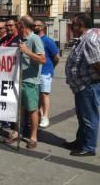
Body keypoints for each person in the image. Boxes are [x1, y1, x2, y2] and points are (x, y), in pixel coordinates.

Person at [5, 16, 45, 149]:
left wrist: (27, 51)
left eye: (17, 24)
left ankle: (33, 137)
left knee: (32, 110)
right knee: (19, 109)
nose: (16, 27)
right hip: (18, 79)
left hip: (30, 81)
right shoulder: (22, 39)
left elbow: (42, 59)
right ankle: (17, 132)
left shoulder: (35, 39)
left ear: (22, 25)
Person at [64, 13, 100, 156]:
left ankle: (89, 147)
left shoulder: (89, 39)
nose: (72, 27)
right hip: (82, 86)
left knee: (89, 117)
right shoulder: (84, 38)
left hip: (88, 85)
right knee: (82, 116)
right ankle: (81, 141)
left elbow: (97, 63)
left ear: (81, 25)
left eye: (73, 24)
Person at [34, 20, 60, 128]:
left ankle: (45, 117)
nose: (35, 27)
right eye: (34, 25)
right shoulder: (32, 39)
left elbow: (56, 57)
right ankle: (38, 115)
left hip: (45, 71)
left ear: (43, 27)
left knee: (44, 94)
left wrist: (51, 68)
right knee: (36, 95)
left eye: (38, 25)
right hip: (35, 72)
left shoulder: (48, 41)